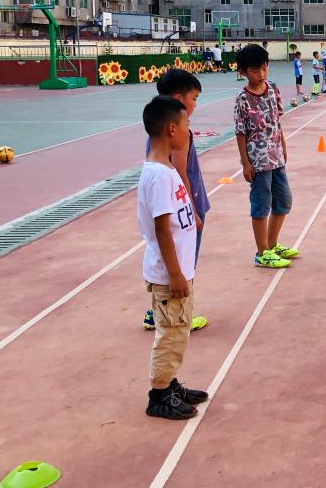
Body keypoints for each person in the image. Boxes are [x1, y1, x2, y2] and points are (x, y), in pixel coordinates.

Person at [139, 95, 209, 419]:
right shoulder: (159, 175)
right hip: (170, 274)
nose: (188, 130)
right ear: (171, 129)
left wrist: (192, 216)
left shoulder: (165, 169)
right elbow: (161, 228)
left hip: (178, 269)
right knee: (170, 334)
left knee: (177, 331)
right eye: (186, 124)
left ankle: (170, 383)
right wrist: (176, 274)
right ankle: (159, 395)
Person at [143, 70, 209, 333]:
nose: (195, 105)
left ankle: (156, 310)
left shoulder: (156, 130)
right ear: (179, 98)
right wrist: (193, 211)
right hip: (184, 206)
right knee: (183, 262)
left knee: (168, 257)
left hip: (172, 206)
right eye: (194, 98)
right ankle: (179, 312)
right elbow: (181, 172)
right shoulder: (180, 132)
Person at [234, 43, 298, 269]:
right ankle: (262, 253)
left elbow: (276, 121)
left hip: (276, 156)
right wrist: (245, 163)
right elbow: (240, 132)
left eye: (264, 68)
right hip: (258, 162)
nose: (261, 74)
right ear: (242, 72)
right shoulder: (242, 99)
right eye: (255, 70)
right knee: (261, 205)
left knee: (284, 201)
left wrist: (283, 146)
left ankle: (271, 245)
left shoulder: (273, 89)